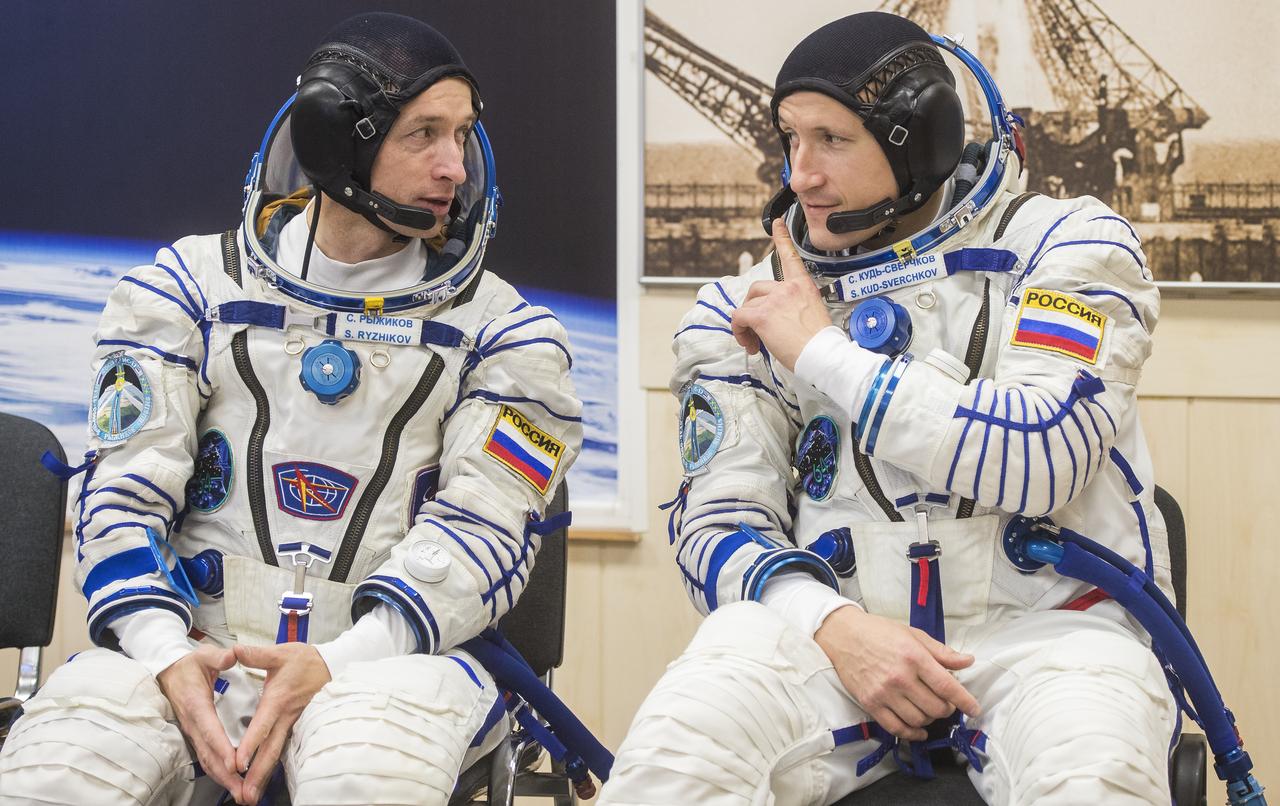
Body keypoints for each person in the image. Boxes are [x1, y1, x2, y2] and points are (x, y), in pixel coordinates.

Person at [0, 12, 581, 806]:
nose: (455, 166)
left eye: (463, 133)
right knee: (64, 766)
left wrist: (339, 662)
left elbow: (486, 528)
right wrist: (166, 651)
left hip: (391, 665)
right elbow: (121, 499)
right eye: (423, 136)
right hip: (192, 653)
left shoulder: (512, 337)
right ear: (339, 144)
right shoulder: (185, 293)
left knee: (365, 777)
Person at [600, 11, 1177, 805]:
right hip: (835, 637)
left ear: (921, 141)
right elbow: (717, 526)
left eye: (831, 140)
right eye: (790, 139)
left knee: (1094, 779)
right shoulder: (742, 308)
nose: (800, 174)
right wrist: (830, 626)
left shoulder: (1068, 249)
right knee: (675, 757)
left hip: (1049, 636)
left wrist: (823, 355)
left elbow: (1042, 455)